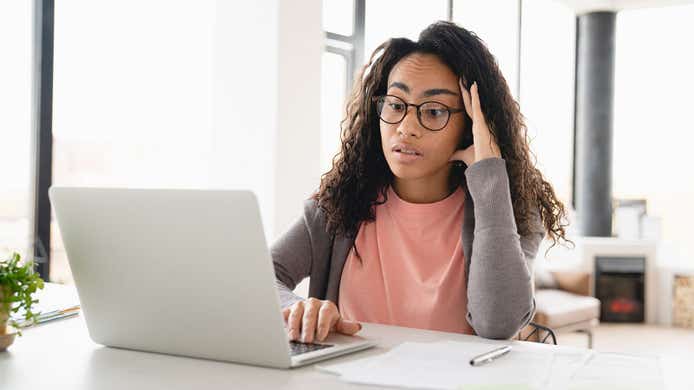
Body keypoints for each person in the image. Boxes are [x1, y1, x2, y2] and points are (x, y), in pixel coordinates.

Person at [271, 21, 569, 344]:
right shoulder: (338, 205)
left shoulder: (509, 210)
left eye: (433, 111)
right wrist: (299, 308)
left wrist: (490, 176)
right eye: (396, 105)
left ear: (469, 127)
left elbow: (499, 323)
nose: (406, 127)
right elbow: (261, 276)